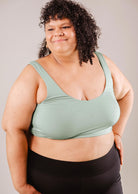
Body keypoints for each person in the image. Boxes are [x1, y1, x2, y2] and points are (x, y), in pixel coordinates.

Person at [2, 0, 134, 193]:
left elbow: (127, 93)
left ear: (81, 30)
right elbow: (13, 128)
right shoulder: (33, 74)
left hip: (108, 180)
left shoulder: (103, 62)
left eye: (65, 26)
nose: (57, 33)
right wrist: (20, 184)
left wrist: (117, 133)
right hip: (52, 183)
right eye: (50, 29)